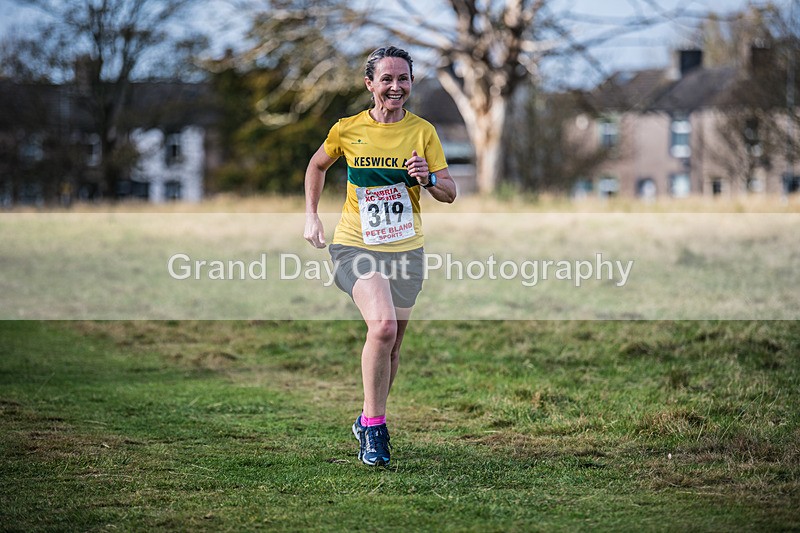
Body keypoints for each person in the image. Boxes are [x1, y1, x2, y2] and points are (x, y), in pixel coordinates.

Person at [303, 45, 457, 466]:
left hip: (406, 250)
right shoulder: (347, 129)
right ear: (370, 84)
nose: (395, 86)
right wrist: (312, 216)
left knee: (391, 348)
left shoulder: (422, 131)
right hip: (356, 244)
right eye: (386, 79)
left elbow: (449, 192)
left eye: (403, 78)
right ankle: (375, 430)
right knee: (384, 326)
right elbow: (317, 166)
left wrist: (426, 179)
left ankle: (366, 417)